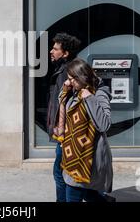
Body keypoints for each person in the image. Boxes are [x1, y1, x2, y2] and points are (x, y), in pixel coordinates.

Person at [59, 58, 113, 202]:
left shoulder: (99, 93)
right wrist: (65, 90)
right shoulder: (76, 90)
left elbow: (105, 124)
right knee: (88, 194)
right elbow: (64, 108)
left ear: (81, 77)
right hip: (73, 155)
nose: (70, 82)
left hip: (88, 158)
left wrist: (90, 99)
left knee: (74, 193)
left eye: (72, 79)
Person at [46, 33, 81, 202]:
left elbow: (68, 104)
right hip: (65, 132)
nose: (51, 51)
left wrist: (62, 129)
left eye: (55, 49)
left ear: (65, 53)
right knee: (66, 173)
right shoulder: (63, 70)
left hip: (66, 134)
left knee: (60, 173)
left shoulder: (68, 73)